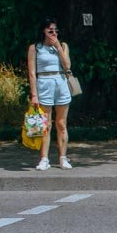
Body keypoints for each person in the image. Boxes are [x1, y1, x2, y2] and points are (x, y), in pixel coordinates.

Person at [26, 18, 74, 170]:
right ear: (44, 31)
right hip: (44, 83)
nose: (54, 33)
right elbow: (32, 73)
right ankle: (44, 158)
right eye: (50, 31)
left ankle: (63, 158)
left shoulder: (63, 45)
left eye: (56, 31)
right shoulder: (35, 48)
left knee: (61, 123)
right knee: (45, 123)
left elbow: (67, 66)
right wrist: (34, 94)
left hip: (60, 82)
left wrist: (58, 47)